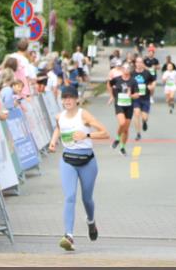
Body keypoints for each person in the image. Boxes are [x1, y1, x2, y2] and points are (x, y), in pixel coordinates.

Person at [48, 85, 109, 252]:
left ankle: (91, 221)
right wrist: (53, 141)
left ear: (76, 99)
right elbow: (59, 129)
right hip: (68, 160)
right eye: (64, 98)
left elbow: (105, 133)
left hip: (87, 161)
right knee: (70, 196)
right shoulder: (59, 116)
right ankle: (69, 235)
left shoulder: (84, 115)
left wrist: (86, 135)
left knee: (87, 199)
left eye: (70, 97)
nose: (67, 101)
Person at [107, 63, 139, 156]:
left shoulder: (133, 81)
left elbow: (137, 95)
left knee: (126, 129)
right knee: (122, 123)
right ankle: (117, 139)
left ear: (130, 70)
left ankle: (122, 147)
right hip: (119, 104)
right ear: (121, 69)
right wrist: (112, 96)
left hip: (129, 106)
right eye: (124, 68)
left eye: (128, 68)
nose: (126, 69)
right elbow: (108, 84)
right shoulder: (117, 79)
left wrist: (131, 95)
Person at [131, 56, 155, 140]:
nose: (139, 64)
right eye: (137, 62)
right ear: (135, 64)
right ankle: (138, 133)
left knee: (144, 117)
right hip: (136, 98)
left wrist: (151, 87)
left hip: (145, 98)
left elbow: (153, 82)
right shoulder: (132, 73)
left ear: (142, 64)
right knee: (136, 114)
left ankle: (144, 122)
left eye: (140, 62)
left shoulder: (147, 73)